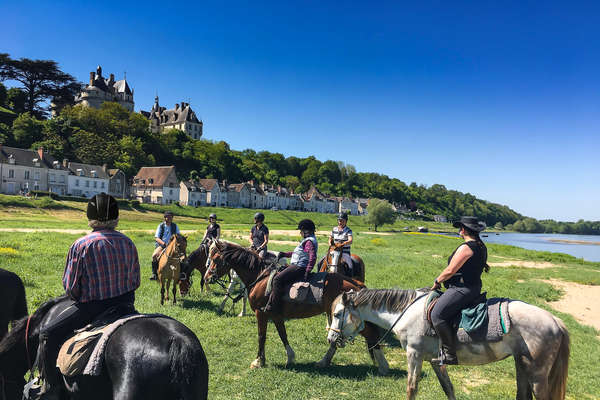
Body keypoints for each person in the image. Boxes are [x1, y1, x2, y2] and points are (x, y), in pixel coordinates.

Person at [37, 193, 140, 399]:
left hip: (92, 309)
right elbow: (135, 281)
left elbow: (70, 288)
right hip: (126, 307)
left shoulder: (82, 245)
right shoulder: (128, 242)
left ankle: (51, 388)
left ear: (90, 217)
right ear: (116, 217)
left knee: (47, 334)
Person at [430, 216, 490, 366]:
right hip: (474, 287)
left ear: (463, 230)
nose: (459, 231)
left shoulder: (467, 247)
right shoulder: (480, 245)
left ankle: (450, 354)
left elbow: (450, 270)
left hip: (463, 288)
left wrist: (437, 281)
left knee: (437, 315)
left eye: (460, 228)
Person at [263, 219, 318, 314]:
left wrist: (307, 271)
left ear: (306, 231)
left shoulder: (309, 242)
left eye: (301, 230)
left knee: (277, 279)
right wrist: (284, 254)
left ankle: (275, 307)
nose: (300, 232)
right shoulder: (307, 241)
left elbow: (312, 256)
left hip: (299, 266)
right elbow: (297, 253)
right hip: (298, 265)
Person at [150, 211, 180, 280]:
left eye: (171, 217)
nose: (169, 218)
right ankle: (154, 274)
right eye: (167, 217)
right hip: (162, 245)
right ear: (165, 218)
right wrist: (164, 244)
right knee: (154, 256)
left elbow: (178, 236)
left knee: (181, 257)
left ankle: (180, 274)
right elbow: (157, 238)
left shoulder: (175, 226)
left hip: (172, 246)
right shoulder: (161, 226)